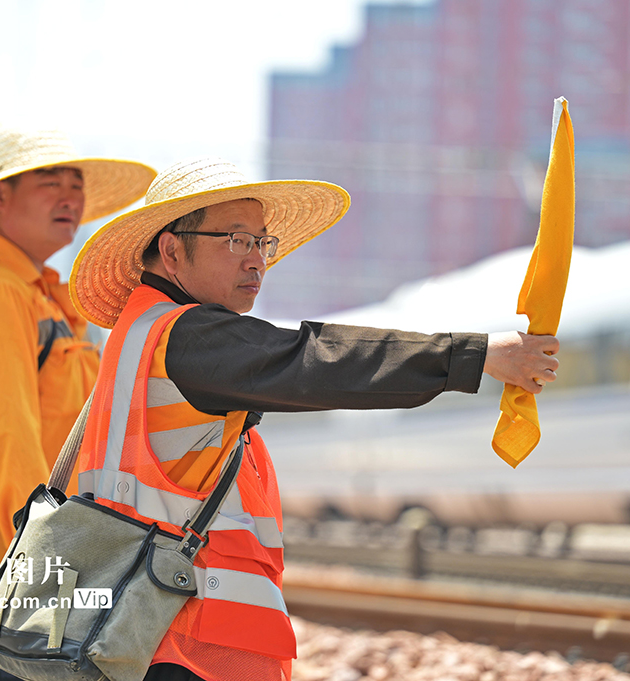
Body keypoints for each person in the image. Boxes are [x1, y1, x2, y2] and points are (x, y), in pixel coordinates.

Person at [68, 157, 559, 681]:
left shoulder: (140, 332)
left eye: (262, 242)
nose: (257, 261)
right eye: (236, 240)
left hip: (144, 628)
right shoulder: (187, 336)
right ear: (171, 250)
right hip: (183, 639)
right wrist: (475, 356)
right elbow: (315, 358)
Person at [0, 125, 156, 680]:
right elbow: (8, 444)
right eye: (50, 182)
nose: (70, 197)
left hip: (8, 560)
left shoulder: (33, 292)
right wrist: (43, 575)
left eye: (76, 184)